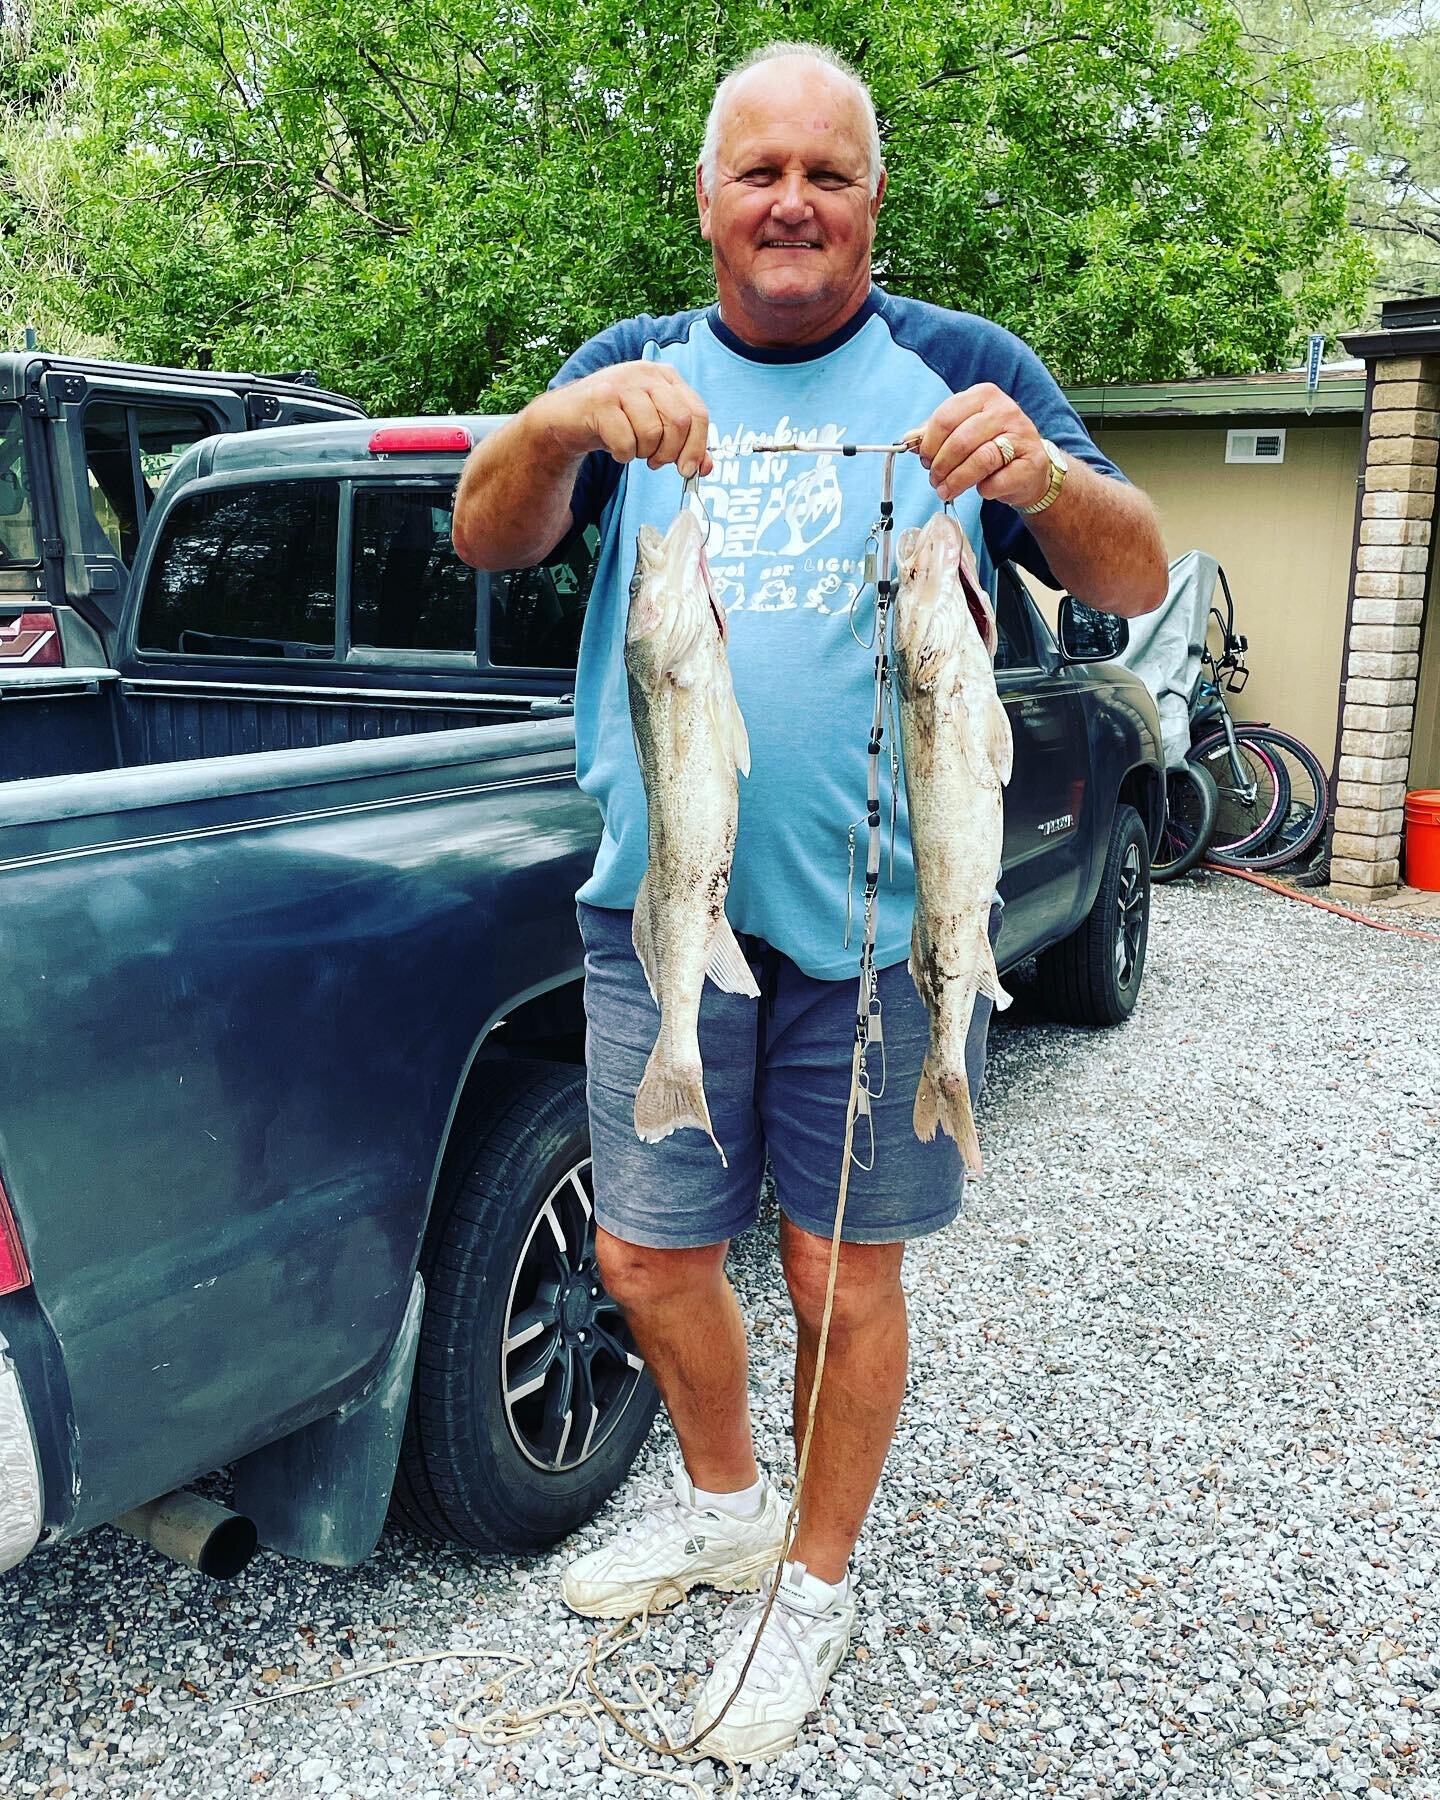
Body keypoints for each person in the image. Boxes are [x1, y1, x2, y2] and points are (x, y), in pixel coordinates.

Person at [453, 40, 1167, 1764]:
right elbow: (486, 537)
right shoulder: (627, 370)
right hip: (664, 912)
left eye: (826, 175)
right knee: (643, 1250)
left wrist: (1049, 480)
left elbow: (1134, 573)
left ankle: (813, 1594)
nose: (791, 202)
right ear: (706, 200)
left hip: (882, 927)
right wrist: (549, 424)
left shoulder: (964, 368)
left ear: (869, 203)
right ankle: (724, 1502)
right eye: (758, 171)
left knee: (841, 1273)